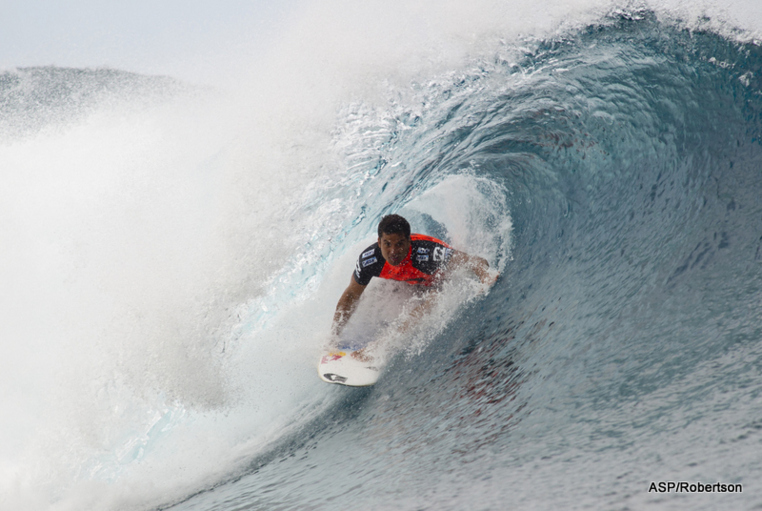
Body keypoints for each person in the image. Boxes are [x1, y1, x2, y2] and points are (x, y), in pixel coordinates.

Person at [331, 214, 497, 343]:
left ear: (409, 241)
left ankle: (381, 346)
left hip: (440, 283)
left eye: (399, 244)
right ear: (379, 242)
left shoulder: (426, 253)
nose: (393, 251)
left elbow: (473, 261)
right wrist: (333, 336)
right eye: (387, 244)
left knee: (428, 303)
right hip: (410, 283)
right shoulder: (370, 260)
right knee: (372, 295)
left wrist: (485, 276)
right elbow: (351, 295)